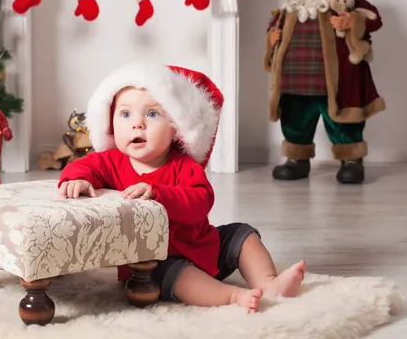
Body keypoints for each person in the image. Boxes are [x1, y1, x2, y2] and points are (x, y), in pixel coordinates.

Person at [58, 62, 306, 313]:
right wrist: (78, 180)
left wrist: (158, 193)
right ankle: (233, 296)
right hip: (154, 261)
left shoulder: (183, 165)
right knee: (176, 273)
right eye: (125, 114)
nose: (138, 124)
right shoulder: (110, 162)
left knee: (243, 234)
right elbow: (83, 167)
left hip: (203, 245)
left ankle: (269, 283)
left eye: (152, 114)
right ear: (110, 124)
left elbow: (201, 200)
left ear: (177, 127)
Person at [263, 0, 385, 184]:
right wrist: (271, 40)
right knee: (294, 120)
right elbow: (273, 32)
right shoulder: (288, 9)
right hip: (294, 82)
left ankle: (351, 160)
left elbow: (374, 18)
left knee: (342, 121)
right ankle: (297, 160)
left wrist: (352, 21)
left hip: (335, 82)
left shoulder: (343, 3)